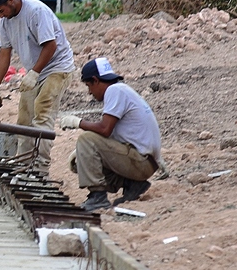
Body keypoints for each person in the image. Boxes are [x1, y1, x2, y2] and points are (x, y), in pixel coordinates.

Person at [0, 0, 74, 169]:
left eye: (1, 11)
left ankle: (40, 169)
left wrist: (34, 73)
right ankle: (24, 166)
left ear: (11, 1)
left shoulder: (36, 11)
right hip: (35, 71)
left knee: (42, 116)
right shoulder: (5, 22)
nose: (0, 16)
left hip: (57, 68)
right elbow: (4, 53)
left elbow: (51, 45)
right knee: (24, 120)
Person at [60, 57, 162, 211]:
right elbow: (113, 135)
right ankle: (132, 185)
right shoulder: (121, 89)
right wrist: (82, 154)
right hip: (145, 162)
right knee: (85, 154)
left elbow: (104, 129)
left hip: (141, 162)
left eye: (89, 86)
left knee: (86, 140)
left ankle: (97, 197)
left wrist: (77, 122)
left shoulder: (114, 91)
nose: (89, 92)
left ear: (95, 80)